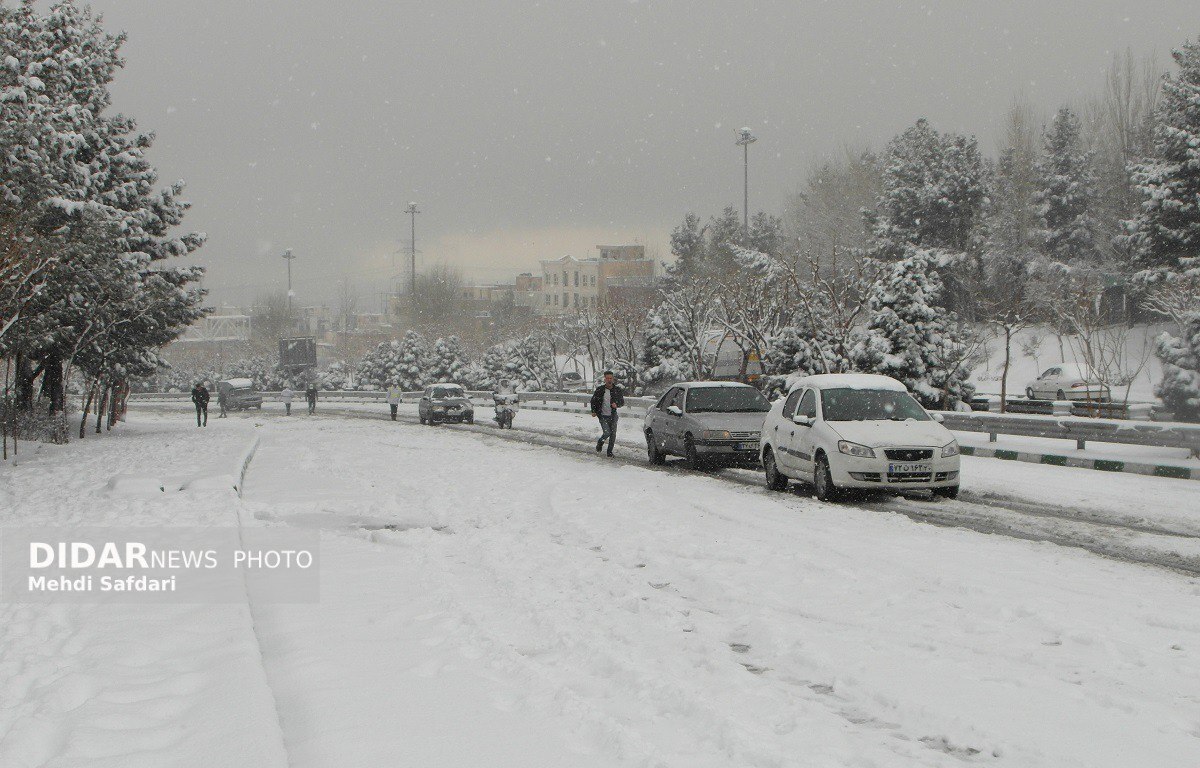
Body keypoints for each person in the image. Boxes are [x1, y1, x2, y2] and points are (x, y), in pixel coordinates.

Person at [589, 370, 624, 457]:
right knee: (607, 433)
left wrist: (617, 405)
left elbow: (622, 402)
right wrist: (593, 411)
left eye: (611, 378)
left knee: (613, 435)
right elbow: (593, 401)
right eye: (607, 378)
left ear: (613, 379)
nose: (609, 380)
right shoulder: (600, 390)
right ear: (604, 379)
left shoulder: (617, 390)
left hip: (613, 415)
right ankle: (600, 442)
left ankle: (609, 452)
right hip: (602, 415)